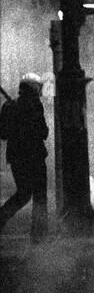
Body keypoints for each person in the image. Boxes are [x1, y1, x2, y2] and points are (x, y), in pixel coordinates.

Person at [0, 74, 49, 241]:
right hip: (34, 156)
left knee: (24, 193)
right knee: (39, 195)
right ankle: (39, 234)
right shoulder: (34, 105)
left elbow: (3, 134)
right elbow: (44, 132)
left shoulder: (9, 106)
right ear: (33, 88)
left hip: (17, 158)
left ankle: (1, 218)